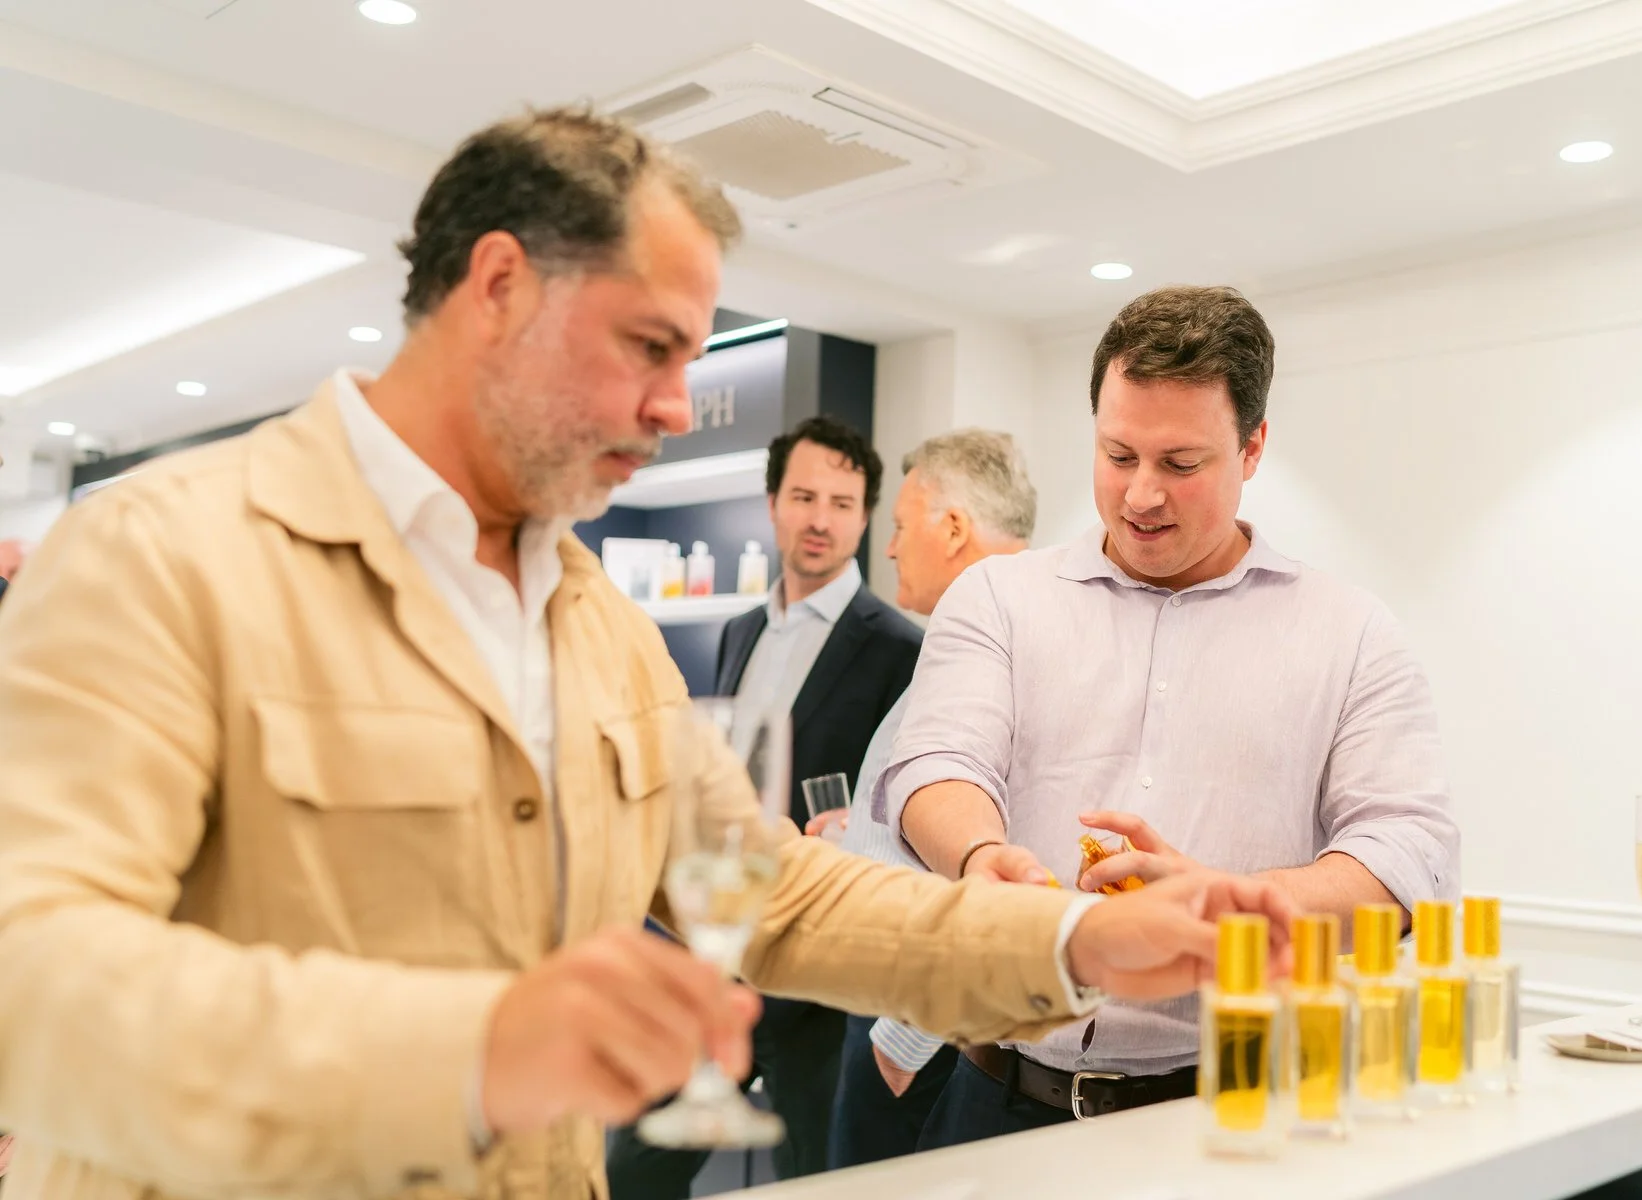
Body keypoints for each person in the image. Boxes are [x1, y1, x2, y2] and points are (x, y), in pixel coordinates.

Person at [0, 110, 1294, 1200]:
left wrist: (1072, 938)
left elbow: (777, 894)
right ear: (498, 286)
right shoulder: (159, 557)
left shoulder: (598, 627)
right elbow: (34, 979)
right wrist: (471, 1048)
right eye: (650, 346)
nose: (680, 406)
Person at [883, 284, 1460, 1149]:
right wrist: (976, 853)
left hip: (1231, 1112)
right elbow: (935, 762)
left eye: (1181, 464)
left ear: (1253, 446)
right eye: (1118, 455)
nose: (1141, 496)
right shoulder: (999, 597)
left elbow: (1406, 852)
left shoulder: (1350, 632)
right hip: (994, 1106)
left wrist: (1234, 904)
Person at [607, 416, 920, 1194]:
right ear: (773, 501)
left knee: (811, 1181)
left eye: (844, 503)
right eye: (805, 496)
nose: (821, 518)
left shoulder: (898, 647)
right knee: (636, 1167)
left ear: (865, 515)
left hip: (814, 969)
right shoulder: (739, 630)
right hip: (713, 957)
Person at [825, 429, 1036, 1170]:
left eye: (898, 526)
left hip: (914, 1028)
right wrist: (856, 833)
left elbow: (999, 843)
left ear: (952, 529)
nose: (888, 550)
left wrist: (905, 1035)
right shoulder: (967, 639)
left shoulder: (1011, 644)